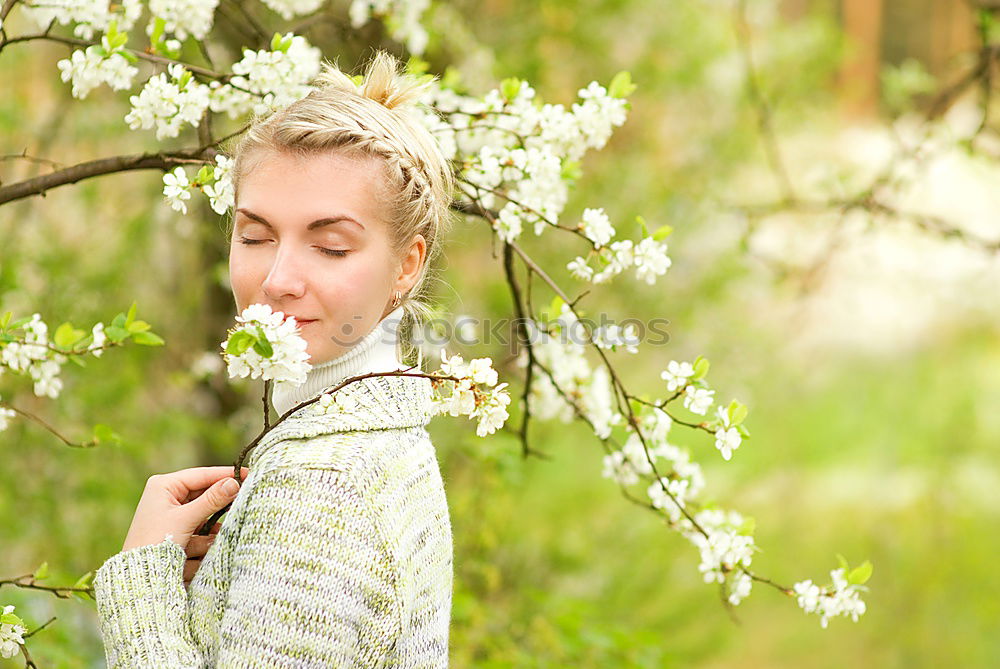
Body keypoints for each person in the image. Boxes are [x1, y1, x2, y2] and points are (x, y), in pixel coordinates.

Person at [92, 49, 456, 667]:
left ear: (407, 264)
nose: (279, 277)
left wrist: (139, 589)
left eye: (331, 246)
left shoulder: (326, 486)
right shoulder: (376, 445)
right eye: (255, 236)